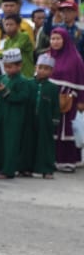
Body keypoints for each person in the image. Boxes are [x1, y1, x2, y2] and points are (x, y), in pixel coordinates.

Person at [0, 49, 38, 179]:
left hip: (14, 118)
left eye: (11, 67)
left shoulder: (23, 81)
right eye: (6, 67)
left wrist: (6, 91)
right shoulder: (2, 78)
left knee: (10, 144)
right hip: (0, 115)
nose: (7, 70)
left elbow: (22, 97)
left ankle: (8, 170)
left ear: (19, 66)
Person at [43, 27, 84, 173]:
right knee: (51, 129)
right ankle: (52, 160)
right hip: (49, 99)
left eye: (58, 39)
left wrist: (81, 101)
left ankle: (68, 161)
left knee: (66, 130)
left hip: (69, 100)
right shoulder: (48, 56)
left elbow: (80, 81)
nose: (55, 42)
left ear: (65, 40)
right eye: (53, 39)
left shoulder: (75, 59)